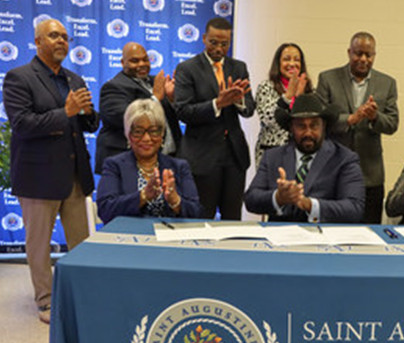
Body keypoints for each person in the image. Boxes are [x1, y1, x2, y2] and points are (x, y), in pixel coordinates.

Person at [2, 19, 98, 324]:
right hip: (37, 176)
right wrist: (65, 112)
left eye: (66, 37)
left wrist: (87, 114)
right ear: (38, 41)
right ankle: (45, 300)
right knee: (39, 244)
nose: (62, 41)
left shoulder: (74, 78)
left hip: (74, 174)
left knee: (81, 242)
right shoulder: (19, 77)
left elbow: (86, 125)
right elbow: (22, 125)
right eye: (54, 36)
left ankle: (82, 296)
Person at [174, 17, 255, 220]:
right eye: (213, 42)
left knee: (232, 220)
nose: (219, 48)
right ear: (204, 39)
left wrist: (238, 101)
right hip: (202, 156)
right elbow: (183, 110)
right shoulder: (187, 68)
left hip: (234, 156)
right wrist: (217, 104)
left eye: (224, 44)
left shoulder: (239, 67)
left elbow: (249, 109)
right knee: (202, 218)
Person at [316, 31, 399, 224]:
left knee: (369, 232)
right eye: (358, 53)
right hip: (333, 170)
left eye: (368, 55)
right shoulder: (328, 79)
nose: (363, 59)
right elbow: (320, 120)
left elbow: (392, 124)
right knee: (333, 230)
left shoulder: (387, 83)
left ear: (374, 56)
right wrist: (351, 119)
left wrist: (374, 117)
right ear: (349, 52)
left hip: (370, 173)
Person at [244, 94, 365, 223]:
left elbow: (354, 209)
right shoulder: (273, 156)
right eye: (301, 126)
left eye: (314, 125)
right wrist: (278, 198)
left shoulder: (344, 158)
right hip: (281, 237)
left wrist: (310, 205)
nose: (308, 133)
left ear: (323, 126)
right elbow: (251, 199)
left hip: (324, 237)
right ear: (291, 128)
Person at [96, 99, 201, 223]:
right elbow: (105, 210)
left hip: (170, 238)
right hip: (128, 236)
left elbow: (197, 213)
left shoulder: (179, 166)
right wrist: (143, 196)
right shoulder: (114, 165)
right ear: (128, 135)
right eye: (138, 132)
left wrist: (175, 201)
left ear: (162, 134)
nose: (146, 138)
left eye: (153, 131)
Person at [95, 42, 181, 174]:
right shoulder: (113, 87)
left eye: (145, 59)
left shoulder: (157, 82)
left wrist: (171, 99)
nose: (142, 64)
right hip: (129, 164)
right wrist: (155, 99)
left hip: (166, 160)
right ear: (123, 63)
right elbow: (126, 119)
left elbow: (168, 118)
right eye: (135, 61)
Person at [254, 42, 314, 168]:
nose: (292, 64)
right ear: (278, 63)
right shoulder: (266, 86)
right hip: (271, 152)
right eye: (286, 59)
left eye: (296, 60)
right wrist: (288, 96)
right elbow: (267, 119)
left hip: (300, 153)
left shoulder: (308, 88)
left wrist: (299, 98)